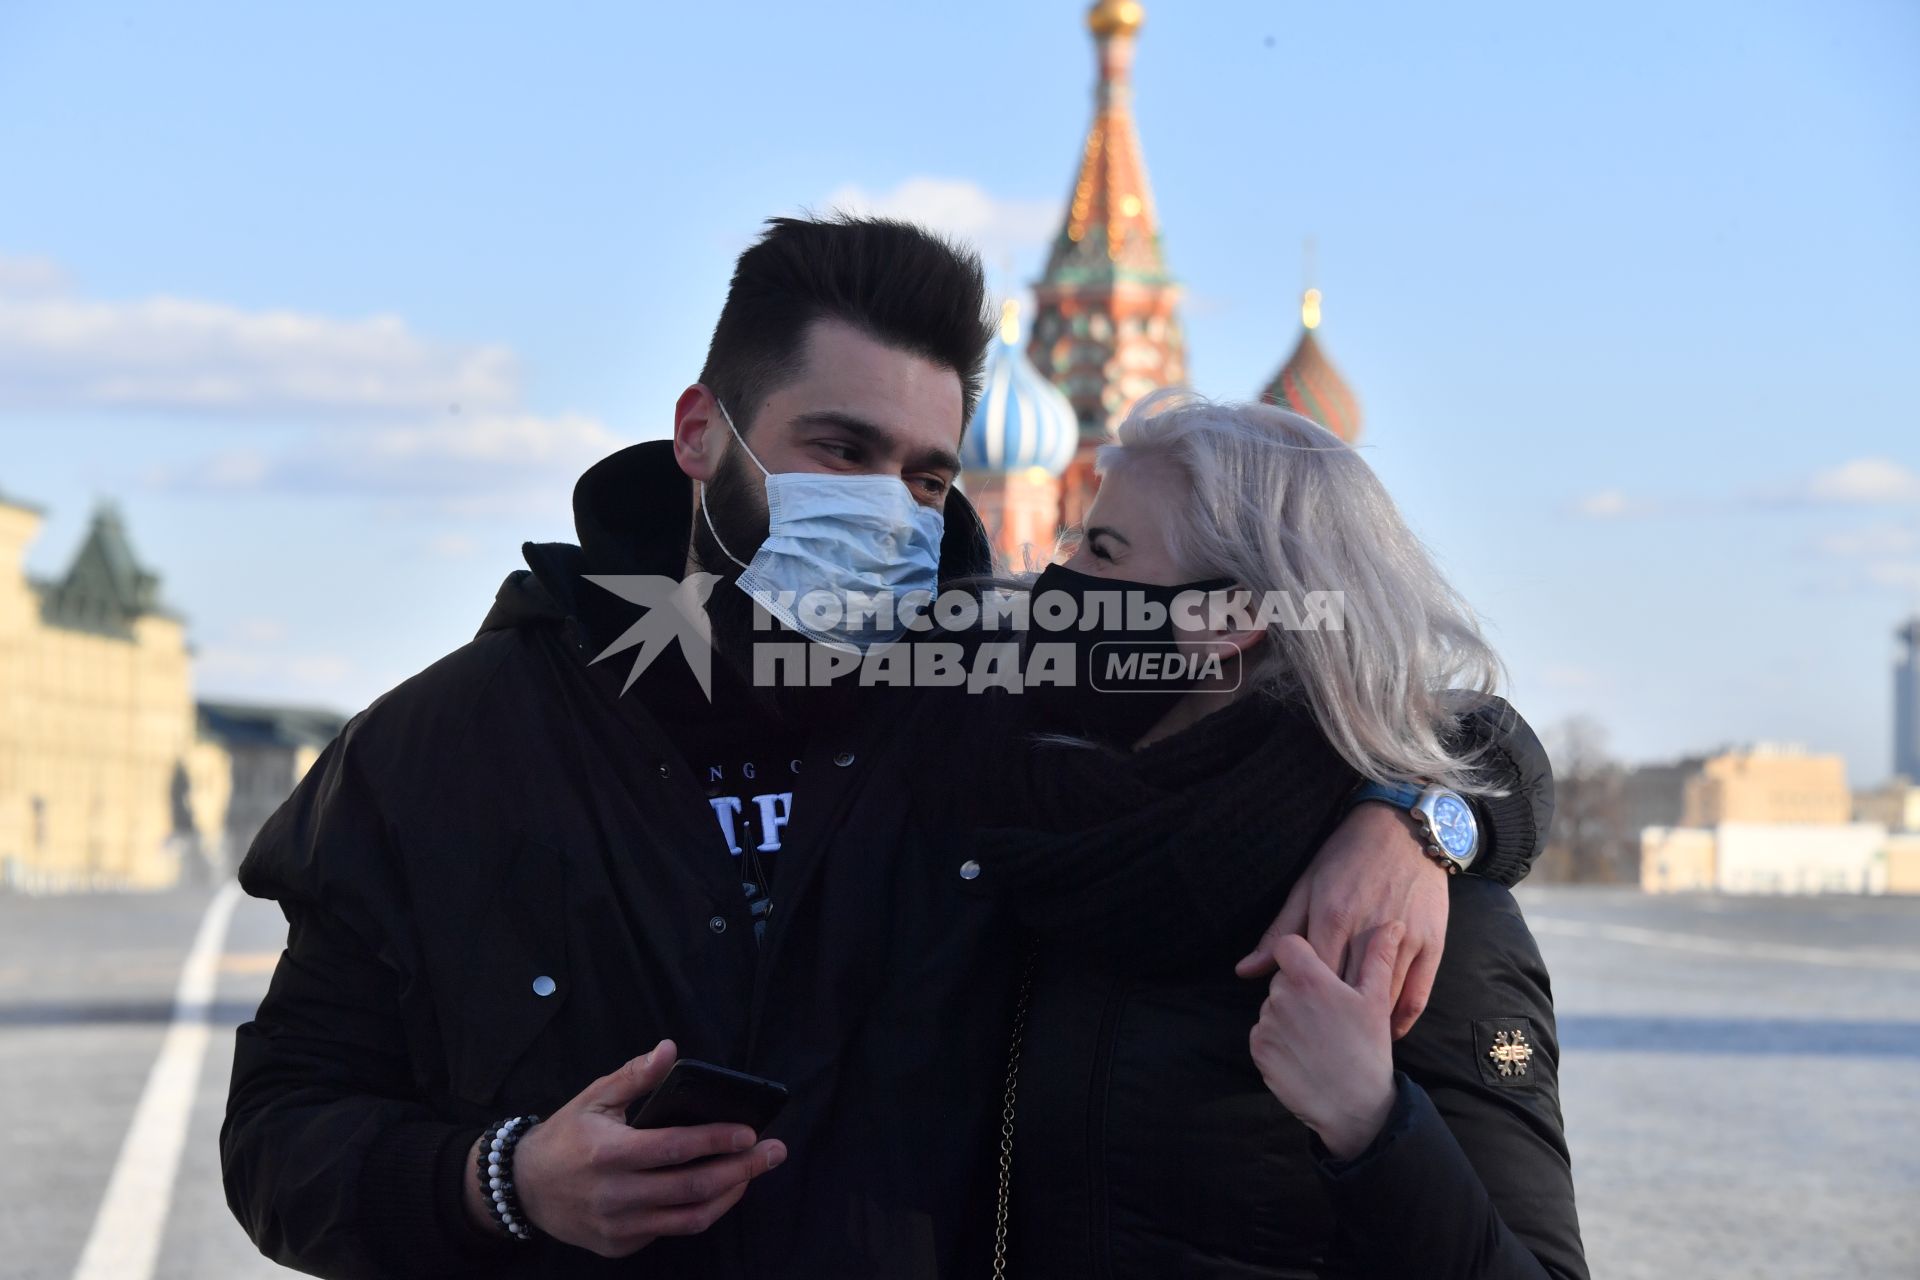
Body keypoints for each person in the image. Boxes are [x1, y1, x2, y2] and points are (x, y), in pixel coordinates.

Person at [220, 215, 1549, 1279]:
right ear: (703, 433)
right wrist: (502, 1182)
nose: (884, 510)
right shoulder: (443, 753)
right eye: (838, 449)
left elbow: (1365, 692)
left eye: (924, 475)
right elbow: (284, 1134)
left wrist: (1420, 814)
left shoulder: (990, 691)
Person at [957, 393, 1584, 1278]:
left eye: (1102, 551)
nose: (1061, 586)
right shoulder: (1041, 839)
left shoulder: (1397, 924)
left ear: (1229, 619)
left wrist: (1371, 1122)